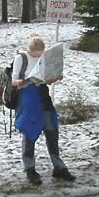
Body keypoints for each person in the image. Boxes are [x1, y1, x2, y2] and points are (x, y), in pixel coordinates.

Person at [12, 33, 74, 185]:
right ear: (31, 49)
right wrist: (25, 82)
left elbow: (46, 78)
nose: (38, 55)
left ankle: (59, 168)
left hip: (43, 97)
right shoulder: (21, 58)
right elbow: (14, 81)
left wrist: (54, 77)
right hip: (28, 98)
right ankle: (30, 169)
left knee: (52, 131)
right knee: (29, 132)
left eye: (41, 52)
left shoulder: (44, 58)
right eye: (36, 53)